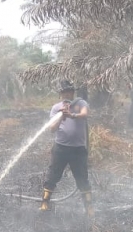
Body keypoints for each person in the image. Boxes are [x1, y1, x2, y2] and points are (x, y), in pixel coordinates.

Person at [40, 80, 93, 217]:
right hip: (61, 149)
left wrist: (72, 115)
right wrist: (62, 116)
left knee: (82, 179)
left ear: (72, 92)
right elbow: (52, 129)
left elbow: (85, 114)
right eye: (63, 92)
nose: (66, 95)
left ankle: (89, 208)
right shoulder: (56, 108)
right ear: (60, 94)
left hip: (78, 150)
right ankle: (45, 203)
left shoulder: (81, 103)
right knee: (53, 176)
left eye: (68, 92)